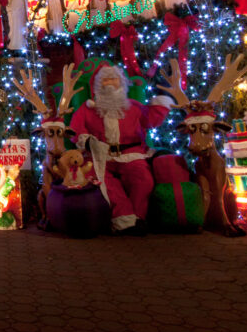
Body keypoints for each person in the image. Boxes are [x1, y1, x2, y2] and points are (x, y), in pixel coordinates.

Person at [68, 64, 175, 234]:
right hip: (100, 157)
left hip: (131, 155)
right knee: (104, 183)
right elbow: (75, 130)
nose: (109, 82)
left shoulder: (134, 107)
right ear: (98, 85)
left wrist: (164, 100)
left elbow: (152, 119)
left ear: (121, 83)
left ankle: (138, 219)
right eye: (105, 79)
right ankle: (126, 220)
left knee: (143, 180)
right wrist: (87, 141)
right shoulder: (88, 110)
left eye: (113, 78)